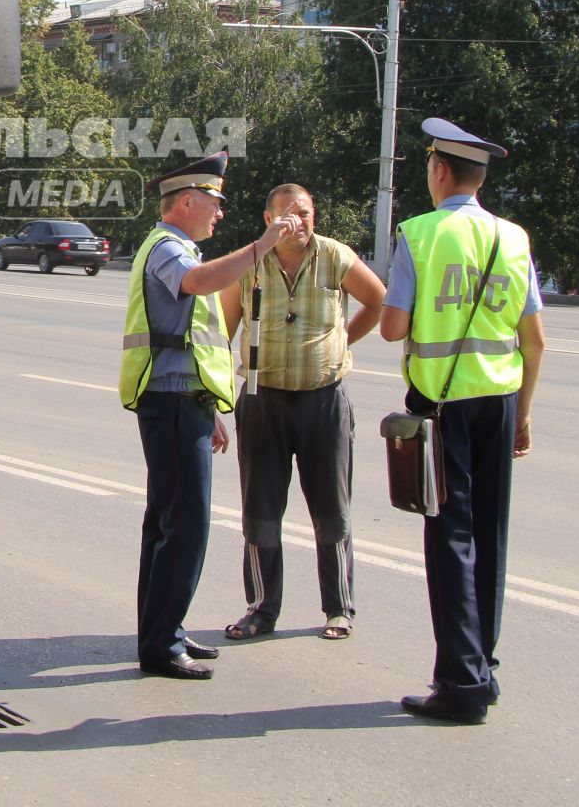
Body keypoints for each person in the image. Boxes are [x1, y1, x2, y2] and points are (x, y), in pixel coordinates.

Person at [380, 117, 547, 725]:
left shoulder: (420, 234)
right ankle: (485, 667)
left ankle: (460, 684)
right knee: (490, 537)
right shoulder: (514, 238)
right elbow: (535, 340)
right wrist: (524, 413)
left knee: (449, 539)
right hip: (500, 403)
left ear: (440, 170)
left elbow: (393, 325)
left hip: (442, 407)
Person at [121, 152, 304, 680]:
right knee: (184, 525)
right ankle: (160, 644)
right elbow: (198, 283)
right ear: (186, 201)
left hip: (184, 399)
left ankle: (164, 632)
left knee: (168, 523)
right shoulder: (166, 248)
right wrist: (263, 245)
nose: (220, 212)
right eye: (215, 202)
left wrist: (208, 402)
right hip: (170, 402)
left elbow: (194, 340)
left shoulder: (180, 248)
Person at [218, 184, 386, 643]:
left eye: (306, 213)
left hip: (323, 399)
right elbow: (224, 331)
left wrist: (341, 342)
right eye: (288, 215)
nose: (299, 222)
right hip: (261, 398)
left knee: (332, 510)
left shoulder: (334, 255)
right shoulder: (248, 261)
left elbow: (377, 300)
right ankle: (260, 609)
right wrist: (214, 401)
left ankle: (338, 608)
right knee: (261, 511)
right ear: (268, 218)